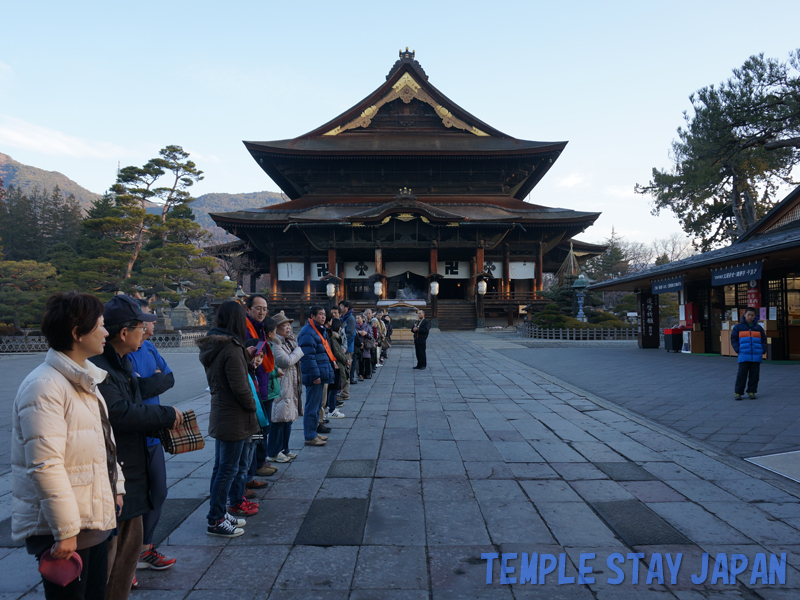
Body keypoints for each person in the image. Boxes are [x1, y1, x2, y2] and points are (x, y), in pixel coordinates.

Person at [12, 292, 124, 600]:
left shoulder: (84, 379)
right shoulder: (44, 386)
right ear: (77, 333)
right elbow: (45, 464)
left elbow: (103, 441)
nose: (106, 332)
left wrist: (118, 487)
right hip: (68, 528)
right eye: (100, 326)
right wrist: (65, 530)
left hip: (92, 517)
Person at [89, 295, 182, 599]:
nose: (146, 331)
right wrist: (165, 415)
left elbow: (156, 385)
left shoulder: (123, 361)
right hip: (115, 476)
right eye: (142, 326)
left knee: (126, 557)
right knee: (108, 562)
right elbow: (119, 412)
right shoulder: (100, 368)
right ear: (124, 332)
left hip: (132, 468)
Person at [197, 301, 260, 536]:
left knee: (221, 468)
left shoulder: (216, 345)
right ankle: (215, 519)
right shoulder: (232, 347)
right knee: (228, 469)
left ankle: (220, 513)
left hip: (222, 412)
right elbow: (240, 387)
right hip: (235, 416)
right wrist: (253, 406)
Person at [128, 300, 177, 572]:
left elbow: (168, 378)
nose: (154, 323)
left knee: (159, 492)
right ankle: (125, 559)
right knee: (132, 499)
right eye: (149, 319)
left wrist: (147, 383)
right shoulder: (124, 353)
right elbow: (131, 390)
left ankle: (145, 547)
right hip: (134, 435)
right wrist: (150, 383)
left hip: (154, 434)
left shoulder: (149, 346)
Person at [244, 294, 277, 478]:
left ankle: (259, 460)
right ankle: (255, 464)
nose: (262, 312)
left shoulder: (261, 329)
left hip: (262, 382)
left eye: (264, 309)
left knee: (263, 427)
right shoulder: (246, 329)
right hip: (253, 385)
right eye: (258, 308)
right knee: (257, 429)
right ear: (247, 309)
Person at [268, 314, 304, 460]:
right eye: (284, 325)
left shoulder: (289, 341)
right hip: (281, 385)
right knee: (279, 419)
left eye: (289, 324)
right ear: (276, 328)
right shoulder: (276, 343)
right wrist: (298, 352)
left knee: (288, 419)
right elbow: (285, 361)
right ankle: (273, 452)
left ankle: (285, 448)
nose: (288, 327)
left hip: (290, 384)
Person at [298, 306, 335, 446]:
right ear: (312, 316)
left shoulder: (318, 330)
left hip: (320, 372)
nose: (323, 317)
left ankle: (313, 432)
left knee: (317, 405)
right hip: (315, 375)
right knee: (312, 406)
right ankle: (309, 436)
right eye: (320, 314)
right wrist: (315, 375)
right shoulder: (308, 332)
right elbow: (308, 356)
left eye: (324, 314)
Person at [731, 307, 767, 400]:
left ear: (755, 316)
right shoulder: (738, 327)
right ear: (744, 315)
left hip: (756, 355)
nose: (750, 317)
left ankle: (752, 391)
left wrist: (763, 349)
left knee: (754, 375)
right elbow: (733, 339)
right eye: (748, 315)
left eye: (752, 315)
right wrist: (738, 349)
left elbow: (763, 340)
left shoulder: (758, 328)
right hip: (743, 354)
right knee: (741, 374)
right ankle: (738, 392)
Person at [326, 317, 347, 419]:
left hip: (335, 362)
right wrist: (344, 360)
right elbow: (336, 352)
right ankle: (331, 409)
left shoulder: (333, 336)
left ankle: (332, 406)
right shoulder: (332, 337)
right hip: (335, 363)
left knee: (334, 387)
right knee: (334, 387)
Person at [339, 300, 357, 393]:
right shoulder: (342, 317)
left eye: (341, 306)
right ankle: (342, 391)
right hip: (341, 348)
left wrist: (344, 346)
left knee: (346, 371)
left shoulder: (350, 318)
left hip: (347, 349)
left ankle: (345, 392)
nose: (340, 308)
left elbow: (350, 334)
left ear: (346, 308)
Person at [355, 314, 374, 379]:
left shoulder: (367, 326)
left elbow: (371, 335)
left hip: (366, 345)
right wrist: (358, 332)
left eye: (358, 318)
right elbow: (353, 333)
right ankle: (360, 374)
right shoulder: (354, 326)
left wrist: (366, 333)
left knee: (367, 360)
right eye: (356, 318)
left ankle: (367, 374)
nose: (357, 319)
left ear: (362, 319)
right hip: (358, 344)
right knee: (360, 360)